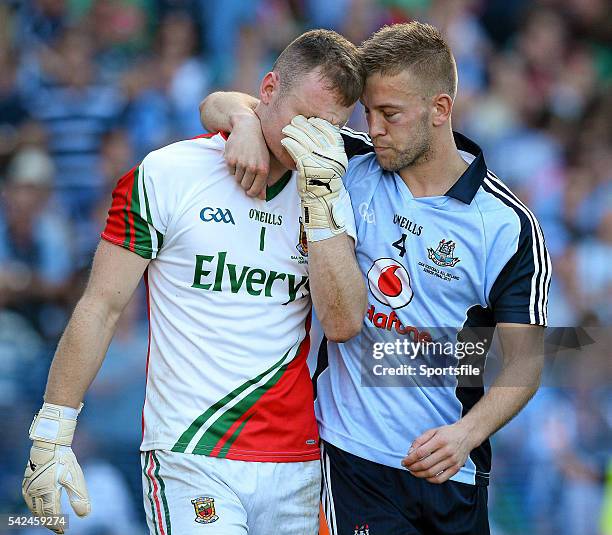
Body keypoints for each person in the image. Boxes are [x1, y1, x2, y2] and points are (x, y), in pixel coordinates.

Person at [199, 21, 551, 535]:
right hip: (350, 460)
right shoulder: (347, 158)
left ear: (440, 110)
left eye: (390, 114)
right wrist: (245, 124)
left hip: (450, 470)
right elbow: (224, 103)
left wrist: (465, 434)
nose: (375, 128)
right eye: (368, 113)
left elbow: (525, 364)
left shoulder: (507, 226)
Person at [21, 29, 367, 535]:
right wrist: (53, 431)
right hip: (190, 453)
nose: (312, 140)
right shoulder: (167, 173)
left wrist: (322, 207)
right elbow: (100, 306)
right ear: (267, 90)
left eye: (329, 128)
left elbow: (342, 323)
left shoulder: (335, 183)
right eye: (304, 120)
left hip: (299, 461)